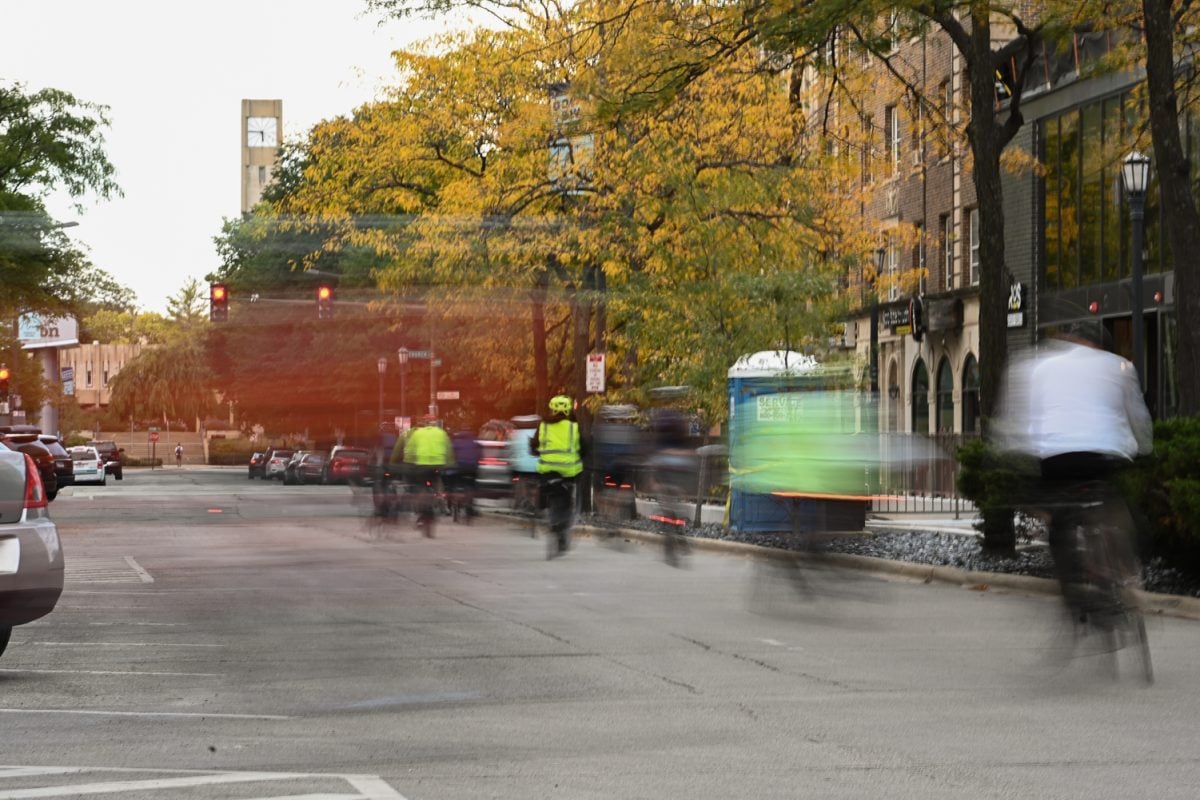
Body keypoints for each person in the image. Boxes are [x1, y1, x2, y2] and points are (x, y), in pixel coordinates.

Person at [996, 319, 1153, 623]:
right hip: (1102, 456)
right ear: (1097, 344)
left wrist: (1012, 452)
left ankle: (1072, 589)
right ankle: (1126, 573)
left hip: (1056, 459)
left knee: (1059, 520)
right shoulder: (1118, 366)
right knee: (1117, 509)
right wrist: (1142, 448)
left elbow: (1017, 423)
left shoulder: (1037, 365)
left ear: (1068, 339)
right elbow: (1139, 420)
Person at [530, 395, 584, 557]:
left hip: (547, 471)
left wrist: (537, 452)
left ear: (552, 409)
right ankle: (561, 528)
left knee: (549, 496)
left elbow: (534, 446)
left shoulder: (543, 426)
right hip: (568, 473)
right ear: (568, 410)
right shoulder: (573, 427)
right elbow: (584, 447)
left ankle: (551, 522)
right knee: (568, 503)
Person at [403, 416, 454, 536]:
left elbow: (409, 451)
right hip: (438, 464)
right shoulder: (441, 433)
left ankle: (421, 507)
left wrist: (408, 462)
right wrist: (450, 462)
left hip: (421, 466)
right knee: (437, 481)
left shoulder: (417, 433)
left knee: (420, 487)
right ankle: (441, 499)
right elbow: (449, 449)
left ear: (424, 424)